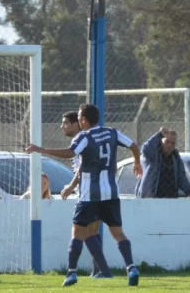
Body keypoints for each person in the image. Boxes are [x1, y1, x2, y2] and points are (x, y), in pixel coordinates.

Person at [26, 103, 142, 287]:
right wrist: (137, 163)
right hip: (111, 192)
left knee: (77, 232)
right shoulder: (112, 132)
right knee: (118, 233)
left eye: (80, 117)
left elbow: (70, 152)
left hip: (90, 195)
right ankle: (132, 268)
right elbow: (134, 146)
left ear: (83, 120)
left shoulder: (85, 136)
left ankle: (71, 273)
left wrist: (42, 150)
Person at [58, 110, 110, 278]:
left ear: (77, 124)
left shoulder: (81, 140)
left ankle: (103, 271)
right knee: (92, 231)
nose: (62, 127)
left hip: (89, 191)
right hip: (101, 189)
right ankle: (99, 271)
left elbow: (83, 167)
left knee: (86, 231)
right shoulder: (91, 138)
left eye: (66, 123)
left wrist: (71, 186)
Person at [137, 128, 190, 199]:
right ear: (161, 141)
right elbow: (145, 149)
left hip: (170, 199)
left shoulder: (176, 157)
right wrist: (159, 135)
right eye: (167, 142)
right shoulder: (154, 154)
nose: (169, 145)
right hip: (151, 198)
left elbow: (181, 178)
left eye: (172, 143)